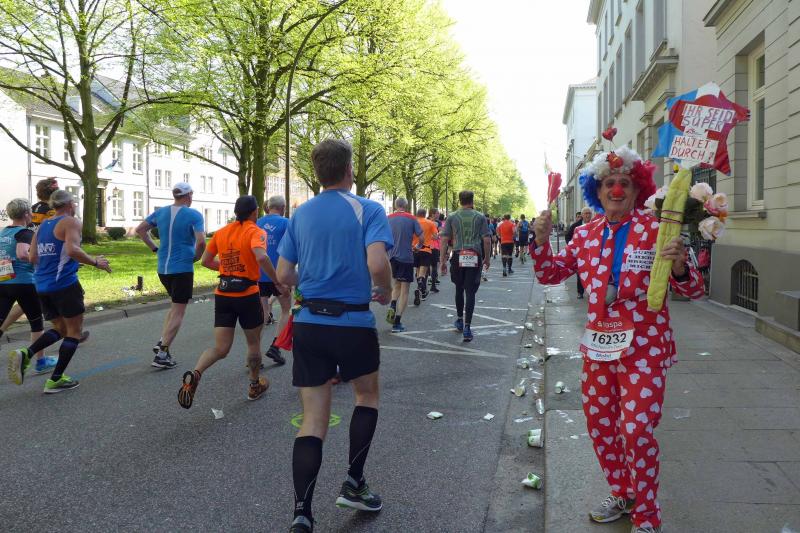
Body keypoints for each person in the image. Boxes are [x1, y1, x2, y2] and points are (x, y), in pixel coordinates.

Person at [530, 146, 705, 533]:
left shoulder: (657, 230)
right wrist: (539, 243)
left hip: (646, 347)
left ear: (637, 188)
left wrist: (680, 266)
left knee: (637, 430)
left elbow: (694, 290)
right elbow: (549, 274)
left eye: (624, 182)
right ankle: (623, 492)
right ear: (597, 190)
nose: (616, 189)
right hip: (599, 347)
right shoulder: (585, 234)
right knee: (601, 425)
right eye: (609, 182)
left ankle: (647, 514)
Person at [275, 139, 392, 533]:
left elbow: (284, 274)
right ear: (348, 170)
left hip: (309, 323)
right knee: (366, 397)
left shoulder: (301, 214)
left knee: (312, 420)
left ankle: (302, 513)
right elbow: (377, 263)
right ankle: (354, 483)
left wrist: (311, 278)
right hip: (353, 322)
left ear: (318, 172)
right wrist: (385, 290)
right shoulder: (369, 209)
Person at [177, 195, 282, 409]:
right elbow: (261, 257)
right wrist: (277, 281)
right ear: (254, 212)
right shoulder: (256, 231)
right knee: (253, 343)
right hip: (247, 294)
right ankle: (254, 385)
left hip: (224, 294)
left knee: (221, 348)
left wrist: (227, 269)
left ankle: (196, 374)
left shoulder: (222, 232)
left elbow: (206, 261)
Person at [8, 190, 111, 393]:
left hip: (42, 286)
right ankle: (55, 380)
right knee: (74, 331)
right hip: (64, 285)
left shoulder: (42, 226)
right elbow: (72, 250)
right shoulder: (70, 222)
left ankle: (27, 353)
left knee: (62, 329)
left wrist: (55, 263)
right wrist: (95, 262)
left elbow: (32, 257)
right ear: (70, 204)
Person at [136, 182, 205, 369]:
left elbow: (140, 230)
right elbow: (201, 242)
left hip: (163, 270)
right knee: (179, 312)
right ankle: (162, 354)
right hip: (182, 268)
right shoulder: (194, 214)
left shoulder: (160, 212)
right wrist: (196, 257)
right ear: (189, 195)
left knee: (175, 307)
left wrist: (154, 248)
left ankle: (162, 341)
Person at [0, 199, 55, 376]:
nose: (32, 215)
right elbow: (23, 253)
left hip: (4, 282)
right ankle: (41, 361)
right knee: (36, 322)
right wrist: (42, 261)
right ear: (25, 214)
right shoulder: (25, 232)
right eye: (30, 212)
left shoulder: (3, 233)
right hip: (24, 282)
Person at [439, 190, 491, 342]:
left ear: (460, 201)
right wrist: (487, 258)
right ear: (472, 200)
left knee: (459, 288)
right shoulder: (480, 217)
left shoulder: (452, 216)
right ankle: (467, 327)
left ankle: (459, 320)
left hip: (458, 254)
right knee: (470, 292)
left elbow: (444, 240)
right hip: (474, 255)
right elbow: (487, 240)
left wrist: (442, 261)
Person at [256, 195, 291, 365]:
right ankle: (275, 347)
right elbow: (292, 248)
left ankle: (254, 353)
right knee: (286, 310)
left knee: (261, 315)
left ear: (268, 207)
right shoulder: (286, 223)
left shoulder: (257, 223)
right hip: (279, 273)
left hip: (259, 274)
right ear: (283, 207)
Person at [386, 197, 422, 333]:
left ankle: (393, 304)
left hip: (392, 257)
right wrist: (418, 247)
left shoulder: (388, 218)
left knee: (396, 285)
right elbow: (421, 237)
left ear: (395, 205)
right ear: (406, 206)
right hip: (406, 257)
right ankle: (397, 322)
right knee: (405, 290)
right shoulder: (412, 218)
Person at [565, 208, 594, 299]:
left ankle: (591, 292)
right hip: (580, 254)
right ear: (582, 215)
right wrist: (573, 248)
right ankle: (580, 292)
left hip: (592, 253)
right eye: (586, 213)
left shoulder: (595, 224)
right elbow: (567, 236)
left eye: (589, 213)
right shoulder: (576, 226)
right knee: (580, 272)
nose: (588, 215)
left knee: (592, 273)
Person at [412, 208, 437, 303]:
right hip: (426, 250)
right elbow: (435, 236)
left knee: (418, 270)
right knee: (422, 273)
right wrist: (429, 236)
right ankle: (420, 288)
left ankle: (421, 291)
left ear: (416, 214)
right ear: (425, 214)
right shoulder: (430, 223)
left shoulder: (413, 222)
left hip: (415, 250)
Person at [427, 208, 442, 293]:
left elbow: (441, 231)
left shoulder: (438, 222)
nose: (438, 214)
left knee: (427, 266)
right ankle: (432, 286)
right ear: (432, 214)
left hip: (428, 246)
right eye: (437, 213)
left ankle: (425, 286)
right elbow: (439, 233)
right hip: (433, 246)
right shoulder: (433, 222)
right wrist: (436, 235)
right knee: (433, 266)